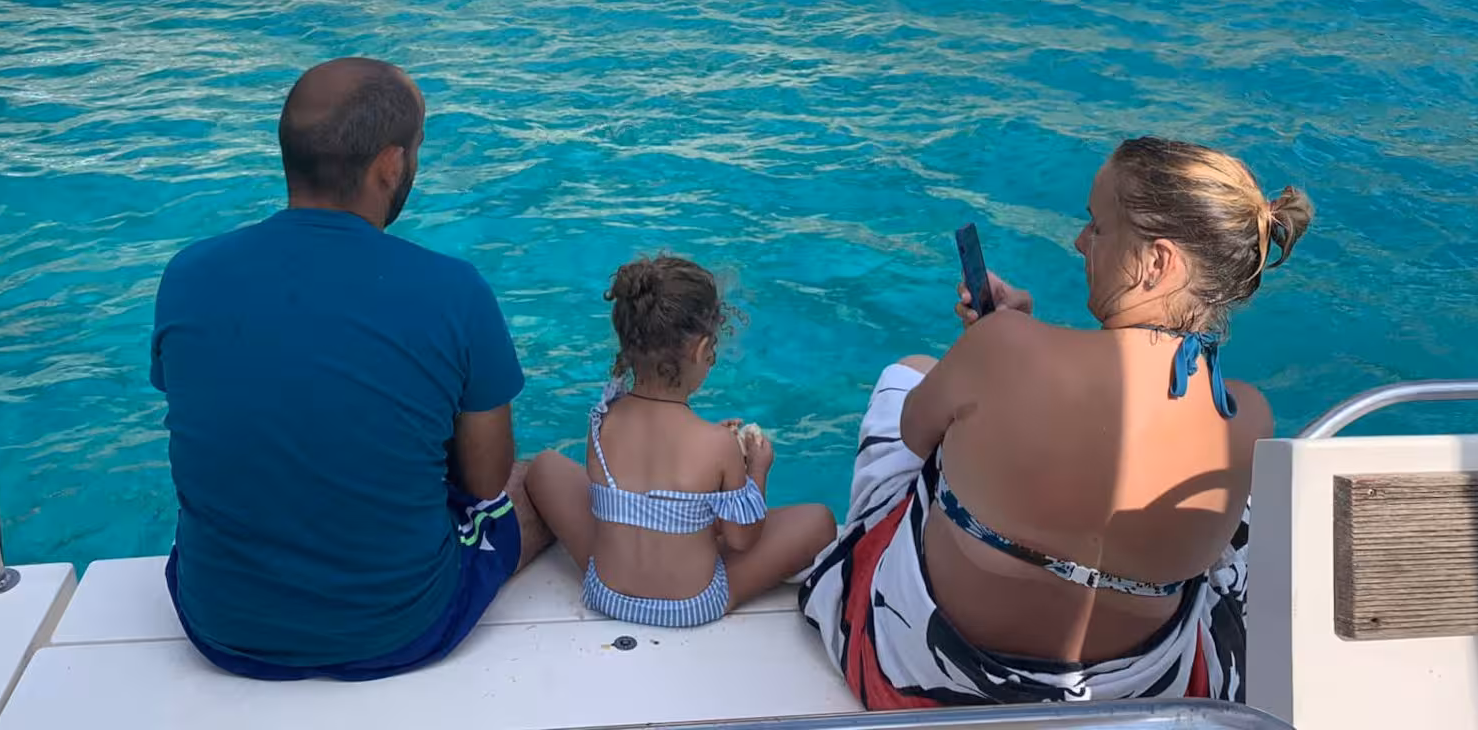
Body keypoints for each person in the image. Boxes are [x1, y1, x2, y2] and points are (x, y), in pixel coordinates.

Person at [800, 138, 1313, 706]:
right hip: (1132, 704)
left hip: (923, 682)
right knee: (1239, 521)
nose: (1079, 242)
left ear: (1157, 262)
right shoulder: (1244, 418)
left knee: (910, 377)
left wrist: (1000, 348)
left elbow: (915, 437)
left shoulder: (1002, 348)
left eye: (1097, 226)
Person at [150, 58, 552, 680]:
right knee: (533, 485)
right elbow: (482, 481)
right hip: (399, 627)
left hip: (219, 623)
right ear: (390, 164)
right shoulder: (455, 291)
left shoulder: (186, 275)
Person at [526, 255, 836, 628]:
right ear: (701, 349)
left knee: (544, 467)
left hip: (605, 591)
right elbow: (742, 539)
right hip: (691, 604)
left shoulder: (602, 420)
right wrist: (755, 470)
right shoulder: (717, 446)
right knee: (819, 520)